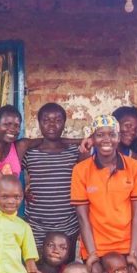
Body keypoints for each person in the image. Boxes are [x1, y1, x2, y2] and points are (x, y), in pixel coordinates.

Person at [71, 114, 137, 273]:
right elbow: (82, 218)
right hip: (95, 249)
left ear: (119, 138)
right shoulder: (81, 170)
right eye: (100, 134)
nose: (107, 140)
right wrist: (92, 257)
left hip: (127, 249)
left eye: (112, 134)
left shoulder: (135, 167)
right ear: (93, 138)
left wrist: (133, 256)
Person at [21, 103, 81, 255]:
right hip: (36, 225)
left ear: (64, 123)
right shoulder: (30, 153)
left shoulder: (74, 152)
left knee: (66, 270)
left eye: (58, 120)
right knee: (39, 266)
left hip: (68, 224)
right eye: (46, 120)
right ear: (39, 123)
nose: (52, 124)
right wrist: (23, 191)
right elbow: (11, 173)